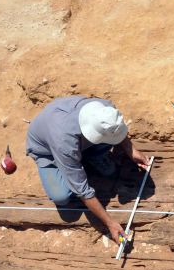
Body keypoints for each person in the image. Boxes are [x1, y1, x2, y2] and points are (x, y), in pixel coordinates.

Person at [26, 96, 149, 243]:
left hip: (72, 140)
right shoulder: (64, 142)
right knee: (61, 197)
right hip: (48, 152)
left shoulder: (105, 109)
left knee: (107, 152)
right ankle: (69, 165)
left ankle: (90, 157)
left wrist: (131, 150)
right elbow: (82, 191)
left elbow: (115, 129)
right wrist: (110, 223)